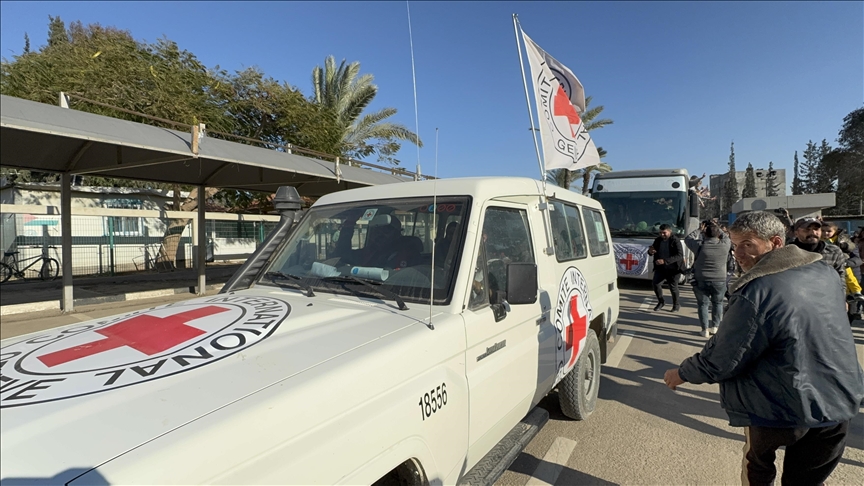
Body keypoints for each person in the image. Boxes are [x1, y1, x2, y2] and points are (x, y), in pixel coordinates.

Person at [663, 211, 864, 486]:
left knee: (757, 466)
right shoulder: (825, 272)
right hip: (838, 402)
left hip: (782, 405)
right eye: (734, 245)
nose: (738, 253)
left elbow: (724, 355)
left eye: (747, 244)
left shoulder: (757, 290)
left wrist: (682, 373)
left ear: (776, 243)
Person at [684, 221, 731, 337]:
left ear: (704, 234)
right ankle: (715, 327)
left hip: (701, 279)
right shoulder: (725, 244)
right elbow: (725, 236)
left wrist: (700, 229)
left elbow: (688, 238)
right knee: (718, 303)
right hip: (720, 280)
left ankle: (704, 329)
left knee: (703, 305)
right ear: (718, 235)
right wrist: (717, 227)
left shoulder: (699, 245)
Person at [788, 217, 847, 287]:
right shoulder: (787, 253)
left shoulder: (833, 252)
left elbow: (841, 278)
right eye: (807, 229)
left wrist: (840, 296)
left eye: (816, 229)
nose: (813, 232)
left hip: (826, 295)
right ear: (796, 233)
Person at [821, 221, 864, 301]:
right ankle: (847, 295)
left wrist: (845, 245)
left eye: (829, 231)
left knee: (848, 275)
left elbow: (852, 246)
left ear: (835, 231)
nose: (825, 233)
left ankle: (856, 291)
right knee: (839, 281)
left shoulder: (841, 238)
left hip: (843, 260)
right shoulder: (820, 240)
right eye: (823, 231)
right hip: (829, 262)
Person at [647, 224, 684, 312]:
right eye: (660, 233)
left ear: (669, 232)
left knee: (673, 287)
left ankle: (676, 305)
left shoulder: (675, 240)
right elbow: (652, 250)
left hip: (674, 268)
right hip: (661, 268)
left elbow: (679, 255)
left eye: (664, 233)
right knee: (656, 284)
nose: (662, 235)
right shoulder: (658, 240)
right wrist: (650, 251)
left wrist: (665, 261)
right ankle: (661, 302)